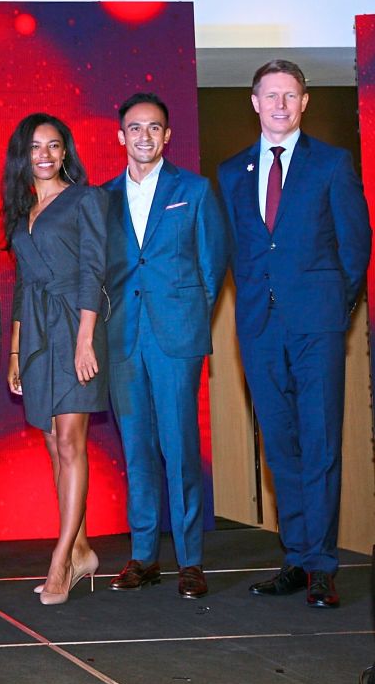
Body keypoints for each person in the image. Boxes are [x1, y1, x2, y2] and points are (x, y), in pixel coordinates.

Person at [217, 60, 370, 608]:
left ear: (304, 102)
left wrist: (333, 307)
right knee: (280, 447)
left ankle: (324, 566)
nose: (280, 104)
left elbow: (356, 248)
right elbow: (236, 249)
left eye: (290, 95)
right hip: (258, 328)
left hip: (318, 326)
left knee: (321, 441)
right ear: (254, 102)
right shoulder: (232, 172)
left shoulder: (332, 164)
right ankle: (298, 557)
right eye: (270, 95)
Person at [102, 93, 229, 599]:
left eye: (154, 128)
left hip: (176, 338)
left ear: (167, 135)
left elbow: (212, 267)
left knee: (179, 449)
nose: (145, 137)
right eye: (135, 128)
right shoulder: (103, 198)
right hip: (122, 338)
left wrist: (188, 316)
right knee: (136, 451)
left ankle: (191, 560)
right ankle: (144, 556)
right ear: (121, 137)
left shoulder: (193, 190)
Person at [1, 113, 107, 606]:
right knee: (52, 443)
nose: (44, 154)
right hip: (39, 334)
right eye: (35, 146)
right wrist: (17, 351)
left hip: (75, 325)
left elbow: (93, 271)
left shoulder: (87, 198)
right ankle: (82, 549)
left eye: (54, 145)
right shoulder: (21, 210)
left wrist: (86, 339)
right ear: (23, 155)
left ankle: (61, 560)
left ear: (66, 153)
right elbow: (23, 284)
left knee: (70, 441)